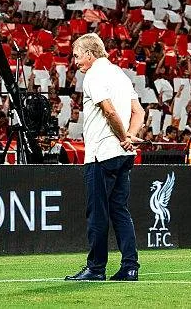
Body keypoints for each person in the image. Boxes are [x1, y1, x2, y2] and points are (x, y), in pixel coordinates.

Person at [65, 33, 144, 283]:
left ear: (90, 54)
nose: (75, 61)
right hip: (123, 155)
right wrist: (130, 137)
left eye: (77, 55)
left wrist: (123, 136)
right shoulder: (120, 74)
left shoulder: (94, 76)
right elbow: (138, 111)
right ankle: (130, 267)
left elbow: (108, 110)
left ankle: (96, 268)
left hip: (102, 154)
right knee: (120, 210)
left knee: (97, 213)